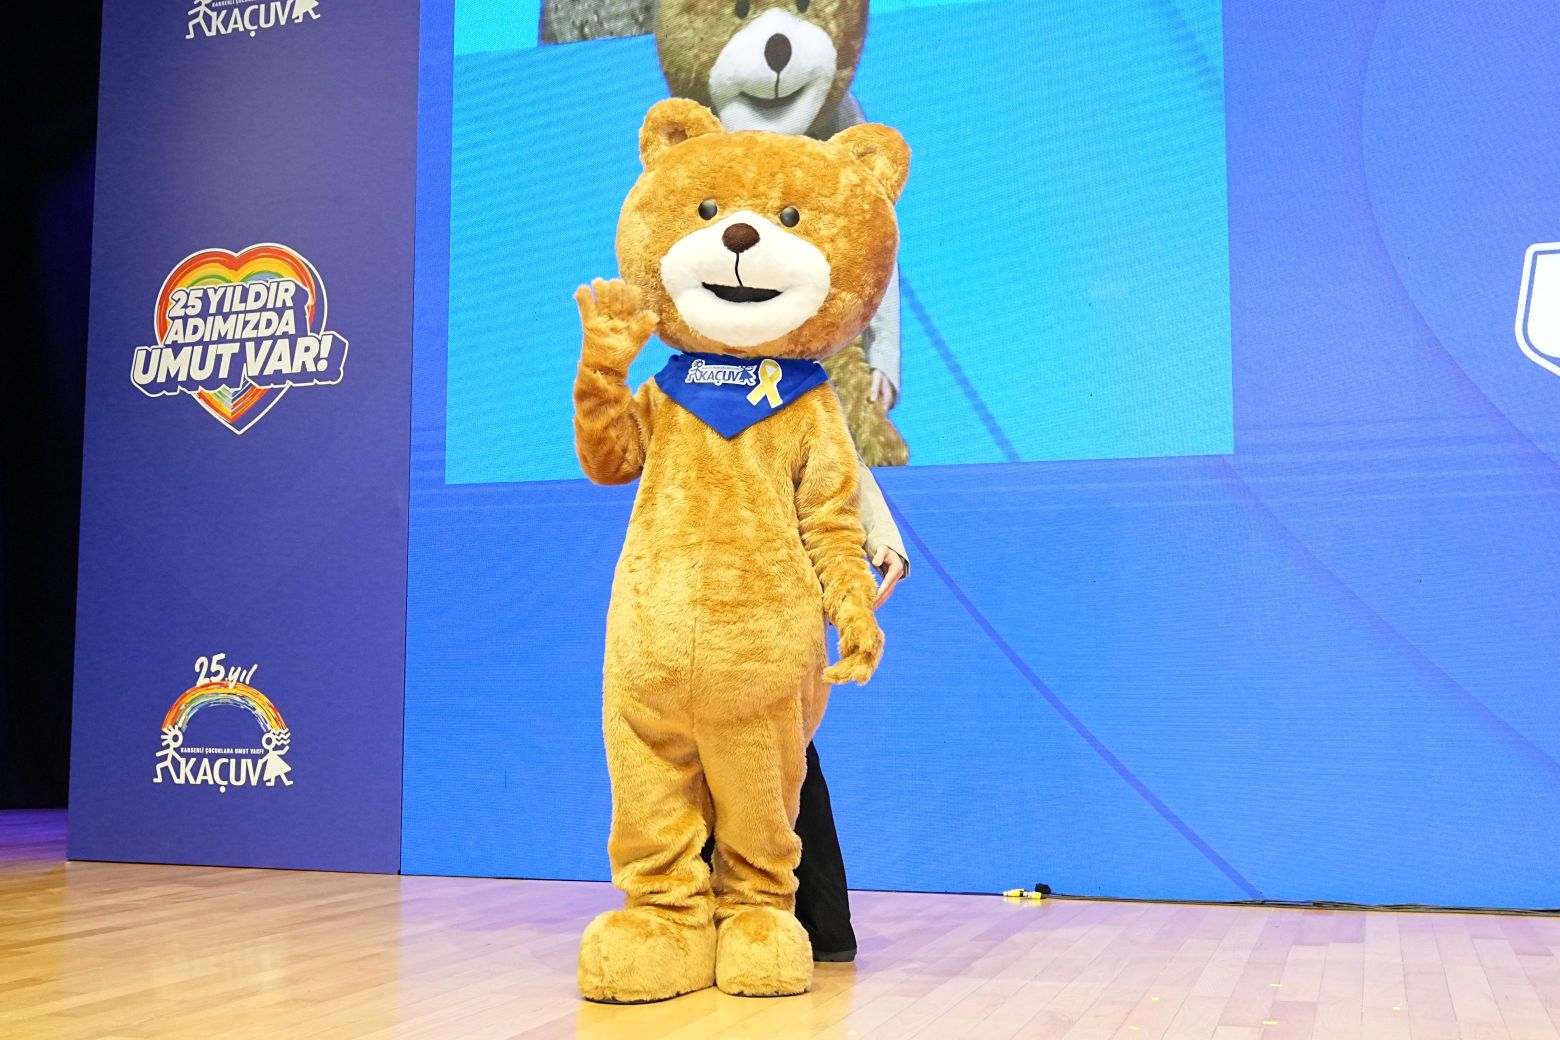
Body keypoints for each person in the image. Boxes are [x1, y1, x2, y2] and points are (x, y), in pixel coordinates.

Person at [793, 462, 907, 962]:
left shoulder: (796, 414)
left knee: (787, 752)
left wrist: (882, 538)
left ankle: (823, 927)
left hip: (780, 597)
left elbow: (836, 457)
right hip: (698, 593)